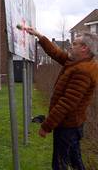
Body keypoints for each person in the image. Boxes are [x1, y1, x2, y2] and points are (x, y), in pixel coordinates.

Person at [25, 27, 98, 170]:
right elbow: (56, 53)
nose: (71, 45)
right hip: (72, 125)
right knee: (75, 161)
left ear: (84, 48)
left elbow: (66, 103)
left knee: (59, 164)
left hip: (67, 128)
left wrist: (46, 126)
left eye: (75, 43)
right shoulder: (77, 62)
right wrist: (40, 36)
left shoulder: (83, 71)